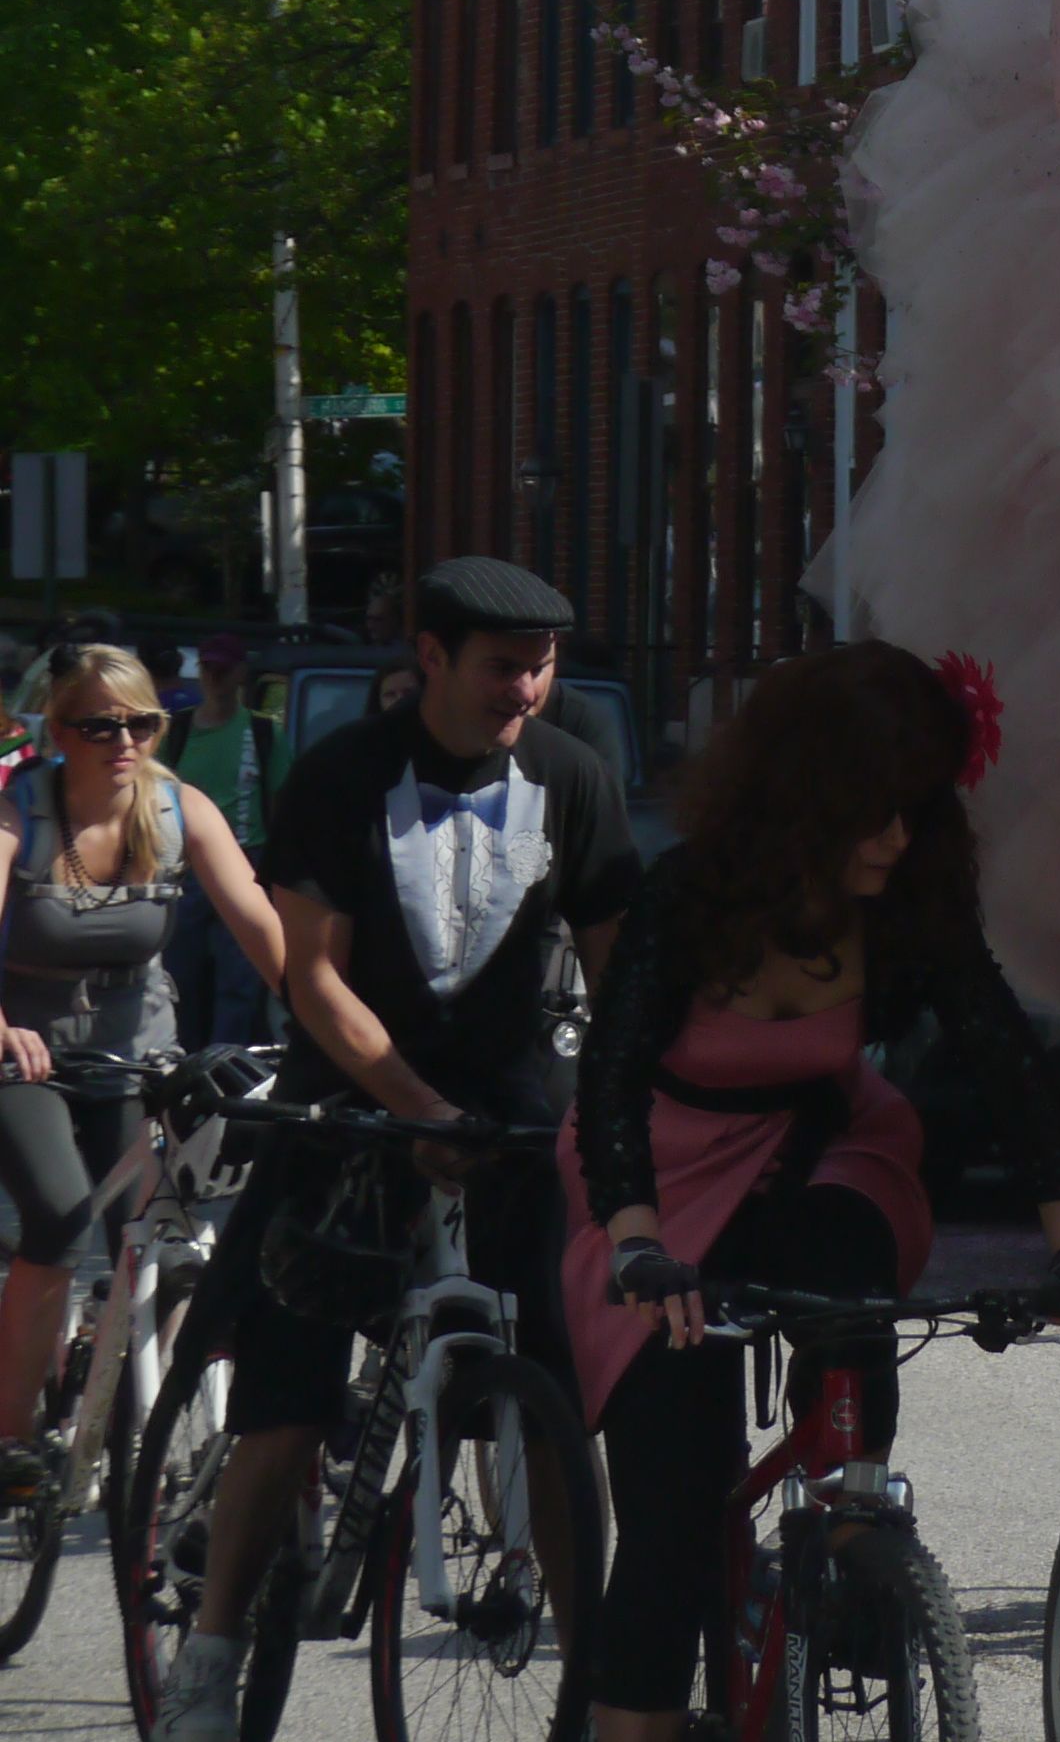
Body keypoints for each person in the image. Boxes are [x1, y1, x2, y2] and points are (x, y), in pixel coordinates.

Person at [567, 642, 1060, 1742]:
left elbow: (1003, 1053)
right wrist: (636, 1241)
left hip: (820, 1145)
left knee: (851, 1274)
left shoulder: (908, 897)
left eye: (918, 809)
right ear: (803, 798)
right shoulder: (688, 892)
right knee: (673, 1529)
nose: (897, 837)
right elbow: (611, 1078)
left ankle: (854, 1541)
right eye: (873, 811)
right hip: (658, 1180)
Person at [161, 558, 642, 1742]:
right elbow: (312, 976)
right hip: (354, 1106)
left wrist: (628, 1108)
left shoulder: (573, 777)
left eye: (540, 667)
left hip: (511, 1113)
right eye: (500, 666)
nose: (524, 688)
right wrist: (413, 1103)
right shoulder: (341, 773)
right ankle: (210, 1656)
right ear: (429, 655)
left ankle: (590, 1681)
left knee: (558, 1410)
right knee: (285, 1408)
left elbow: (621, 970)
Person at [0, 644, 284, 1490]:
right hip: (27, 1050)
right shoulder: (18, 813)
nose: (124, 742)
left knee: (159, 1228)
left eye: (142, 724)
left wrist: (323, 1016)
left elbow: (259, 922)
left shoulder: (178, 809)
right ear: (59, 732)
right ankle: (10, 1439)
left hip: (135, 1049)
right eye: (99, 726)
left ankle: (144, 1412)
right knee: (59, 1212)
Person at [164, 647, 279, 1050]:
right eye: (208, 668)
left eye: (223, 669)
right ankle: (179, 1057)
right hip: (182, 866)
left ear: (241, 672)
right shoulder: (178, 729)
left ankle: (227, 1061)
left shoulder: (263, 731)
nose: (214, 677)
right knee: (179, 975)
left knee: (240, 979)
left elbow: (283, 799)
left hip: (248, 861)